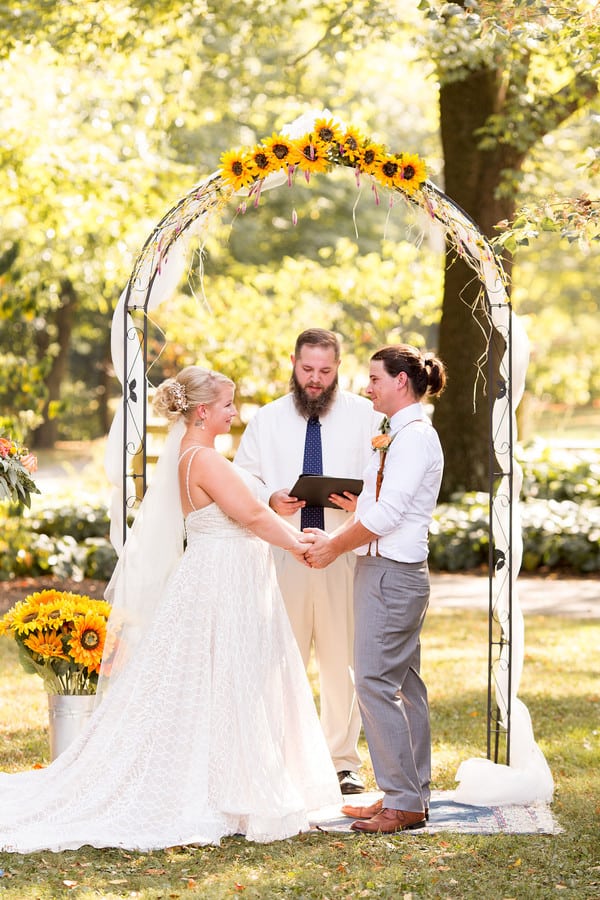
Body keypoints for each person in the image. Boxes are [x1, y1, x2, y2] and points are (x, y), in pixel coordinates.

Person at [0, 366, 342, 853]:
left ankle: (230, 780)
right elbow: (250, 515)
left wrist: (288, 533)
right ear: (202, 411)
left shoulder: (193, 455)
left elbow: (253, 509)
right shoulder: (204, 458)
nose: (234, 412)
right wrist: (300, 545)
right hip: (221, 578)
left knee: (217, 678)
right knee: (223, 675)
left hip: (222, 575)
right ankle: (227, 788)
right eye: (227, 404)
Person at [304, 344, 447, 834]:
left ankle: (404, 801)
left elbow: (388, 516)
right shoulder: (397, 433)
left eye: (375, 379)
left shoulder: (414, 438)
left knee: (373, 681)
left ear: (401, 381)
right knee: (403, 684)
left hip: (392, 573)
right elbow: (379, 504)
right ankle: (409, 793)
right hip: (382, 568)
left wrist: (335, 546)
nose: (367, 388)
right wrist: (355, 510)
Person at [235, 329, 381, 795]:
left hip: (343, 550)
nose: (315, 379)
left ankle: (342, 762)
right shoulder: (267, 419)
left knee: (342, 661)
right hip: (284, 552)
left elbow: (385, 480)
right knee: (282, 659)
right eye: (307, 369)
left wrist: (362, 501)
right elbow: (242, 481)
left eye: (325, 371)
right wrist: (270, 497)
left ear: (339, 368)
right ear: (293, 363)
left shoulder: (366, 416)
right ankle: (283, 760)